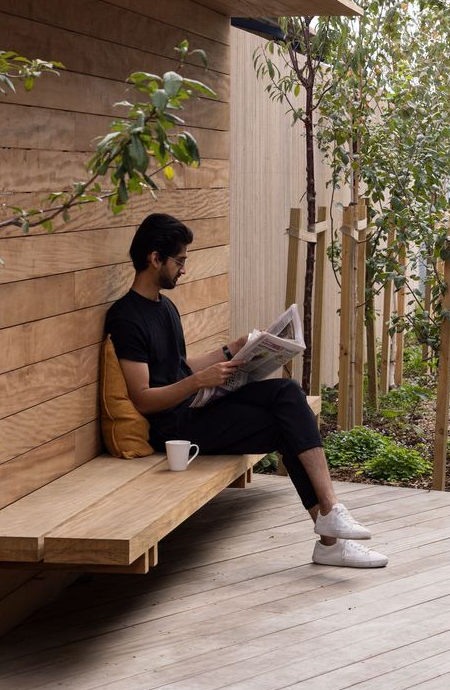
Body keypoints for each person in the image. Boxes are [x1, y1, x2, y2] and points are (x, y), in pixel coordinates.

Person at [106, 213, 388, 568]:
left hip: (196, 404)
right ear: (155, 258)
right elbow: (144, 398)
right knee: (285, 426)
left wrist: (232, 350)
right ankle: (330, 534)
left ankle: (331, 519)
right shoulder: (126, 318)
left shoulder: (165, 307)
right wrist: (198, 382)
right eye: (180, 261)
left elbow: (176, 366)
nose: (184, 269)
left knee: (287, 393)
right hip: (176, 428)